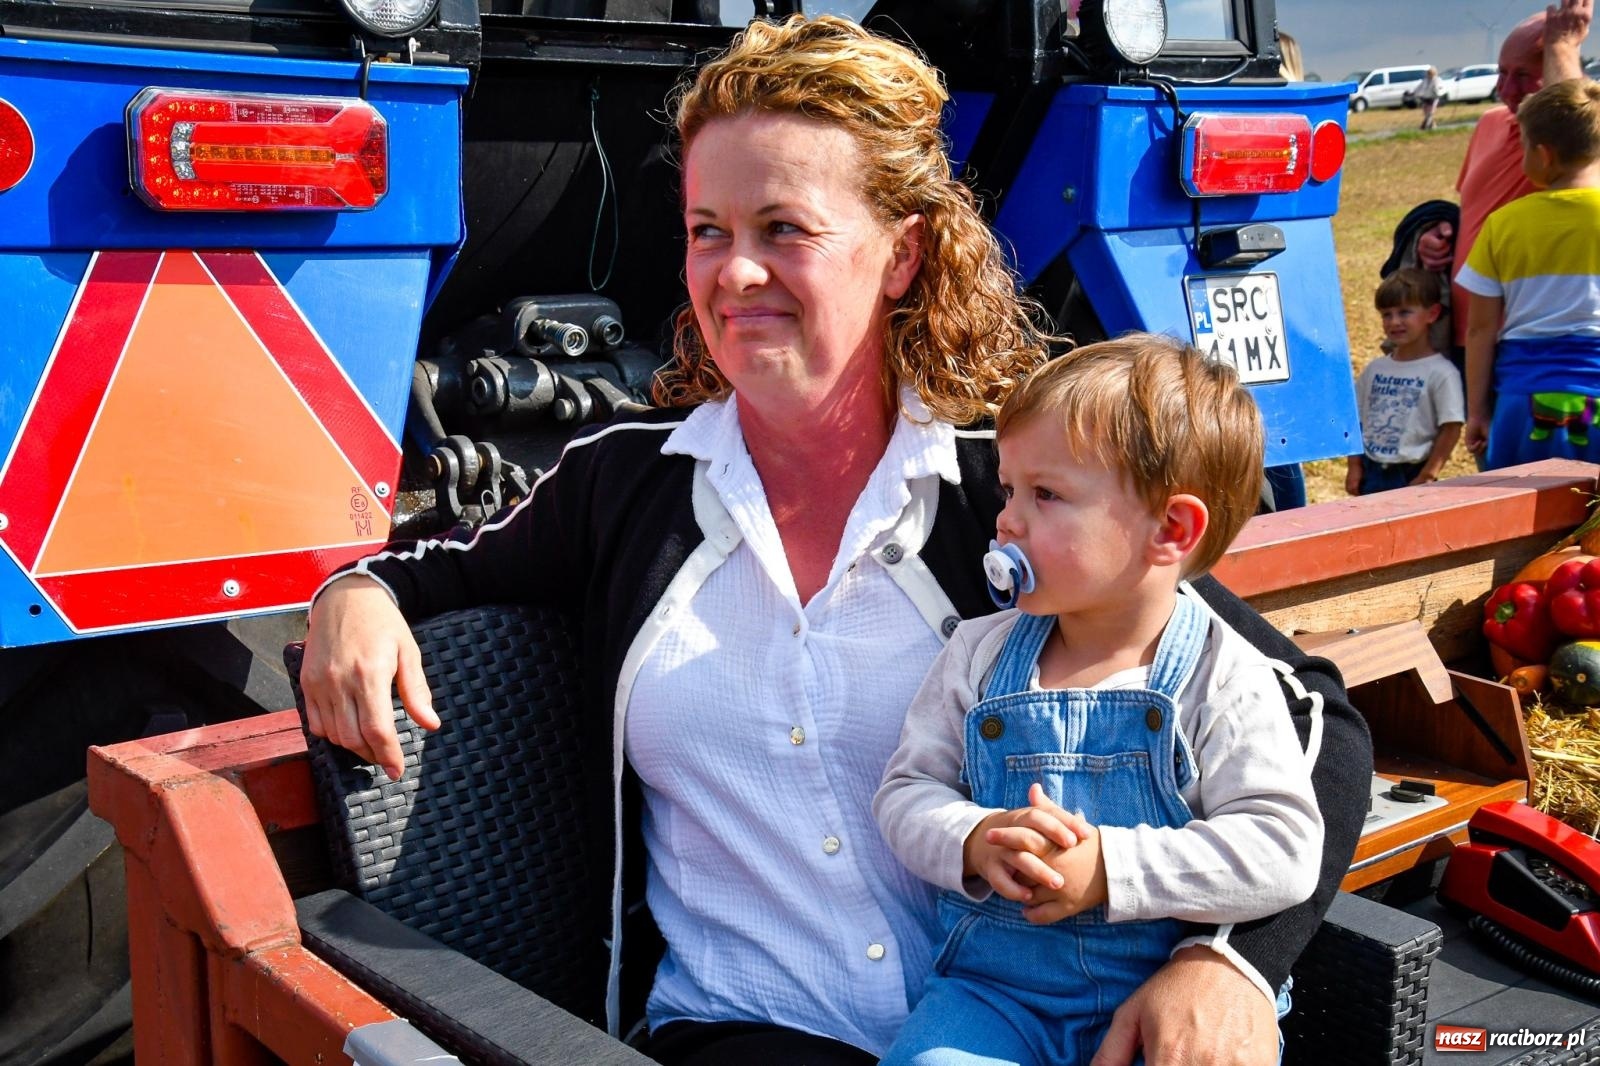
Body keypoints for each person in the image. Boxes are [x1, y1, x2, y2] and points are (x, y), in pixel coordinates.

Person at [298, 15, 1371, 1066]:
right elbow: (418, 568)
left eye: (784, 230)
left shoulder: (1001, 494)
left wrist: (1226, 959)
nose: (734, 272)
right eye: (707, 230)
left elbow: (1312, 715)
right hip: (740, 1026)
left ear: (901, 256)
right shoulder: (625, 484)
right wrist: (353, 595)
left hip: (1020, 1024)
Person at [874, 336, 1323, 1066]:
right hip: (996, 996)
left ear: (1171, 530)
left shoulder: (1222, 676)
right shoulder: (978, 656)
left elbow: (1281, 851)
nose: (1007, 520)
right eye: (1009, 491)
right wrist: (975, 837)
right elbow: (904, 793)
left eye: (1045, 495)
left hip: (1159, 997)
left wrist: (1112, 868)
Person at [1415, 0, 1593, 354]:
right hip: (1465, 336)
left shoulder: (1566, 142)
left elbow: (1570, 119)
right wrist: (1436, 238)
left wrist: (1562, 45)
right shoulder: (1489, 123)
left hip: (1526, 343)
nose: (1506, 88)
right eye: (1502, 72)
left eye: (1524, 75)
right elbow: (1473, 212)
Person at [1457, 78, 1600, 469]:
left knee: (1528, 522)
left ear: (1543, 154)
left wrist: (1478, 412)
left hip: (1523, 401)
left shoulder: (1502, 224)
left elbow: (1480, 330)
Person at [1346, 270, 1465, 494]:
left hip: (1411, 472)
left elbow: (1451, 427)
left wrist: (1428, 474)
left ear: (1432, 313)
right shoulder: (1375, 369)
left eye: (1404, 312)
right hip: (1371, 471)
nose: (1395, 322)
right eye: (1386, 315)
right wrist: (1354, 467)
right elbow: (1354, 419)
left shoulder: (1442, 372)